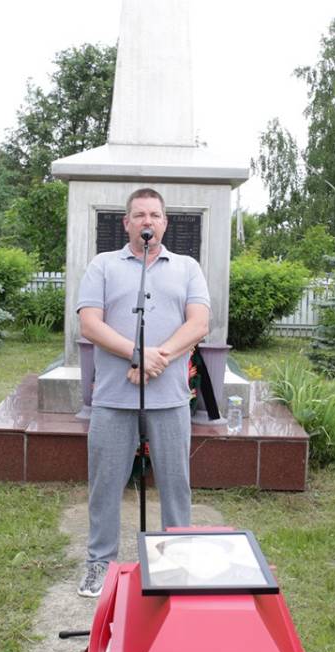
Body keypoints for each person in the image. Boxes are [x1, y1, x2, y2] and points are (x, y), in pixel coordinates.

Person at [75, 187, 210, 598]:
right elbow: (90, 324)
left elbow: (199, 322)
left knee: (175, 481)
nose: (147, 221)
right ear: (127, 223)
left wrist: (159, 357)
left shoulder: (187, 267)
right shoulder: (102, 266)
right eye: (139, 215)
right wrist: (136, 353)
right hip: (115, 396)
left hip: (168, 396)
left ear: (164, 222)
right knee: (105, 482)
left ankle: (176, 558)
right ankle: (101, 562)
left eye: (154, 214)